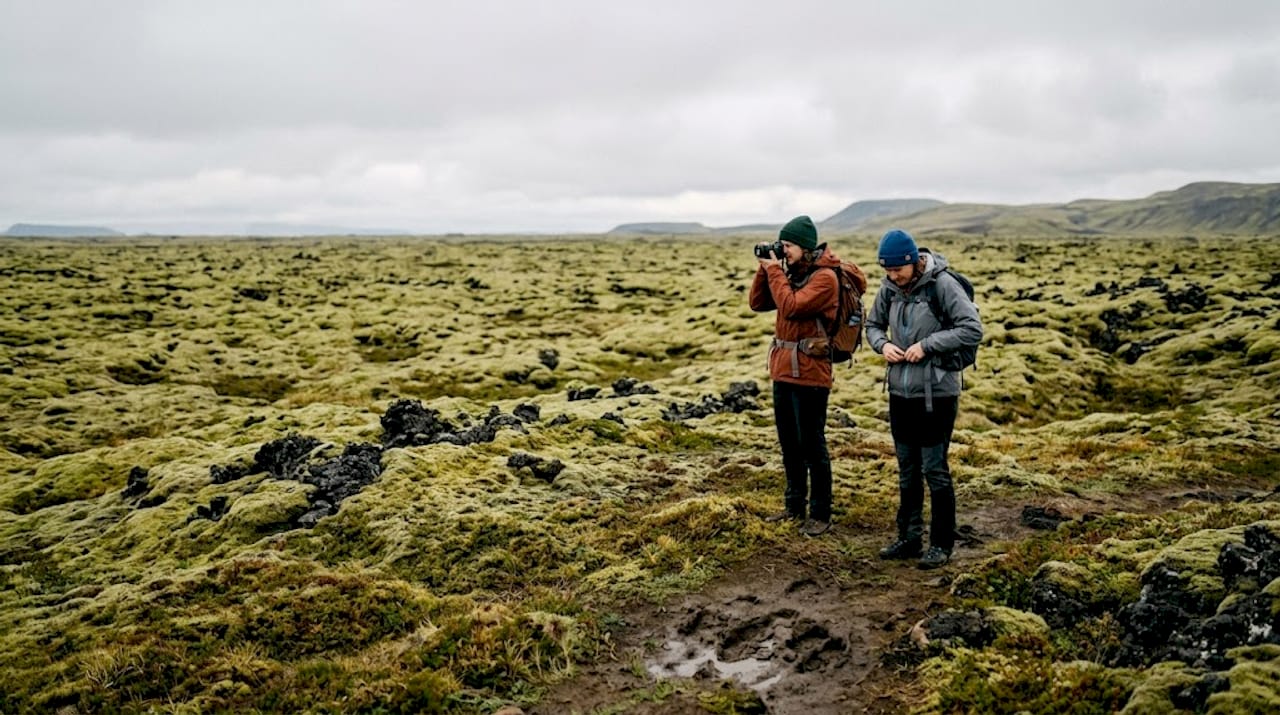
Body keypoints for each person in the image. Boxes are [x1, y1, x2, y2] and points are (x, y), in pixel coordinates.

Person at [865, 228, 982, 569]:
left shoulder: (942, 285)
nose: (892, 276)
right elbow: (872, 325)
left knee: (934, 469)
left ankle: (942, 544)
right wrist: (883, 345)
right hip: (900, 392)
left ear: (913, 261)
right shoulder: (889, 288)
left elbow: (971, 328)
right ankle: (909, 538)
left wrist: (927, 345)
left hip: (937, 393)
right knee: (907, 469)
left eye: (897, 269)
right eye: (886, 270)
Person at [749, 215, 843, 537]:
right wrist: (766, 269)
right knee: (789, 442)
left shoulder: (825, 279)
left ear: (804, 246)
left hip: (811, 372)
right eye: (782, 245)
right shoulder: (790, 273)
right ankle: (793, 506)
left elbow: (790, 306)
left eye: (788, 245)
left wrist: (775, 270)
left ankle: (820, 513)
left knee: (811, 444)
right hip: (783, 369)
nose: (784, 250)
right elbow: (758, 302)